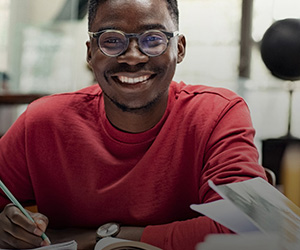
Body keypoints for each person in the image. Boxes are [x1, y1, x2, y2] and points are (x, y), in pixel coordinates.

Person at [0, 0, 267, 249]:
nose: (133, 57)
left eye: (153, 39)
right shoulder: (43, 122)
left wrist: (103, 237)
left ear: (180, 48)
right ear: (90, 52)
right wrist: (6, 225)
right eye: (112, 40)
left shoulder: (217, 114)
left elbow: (248, 226)